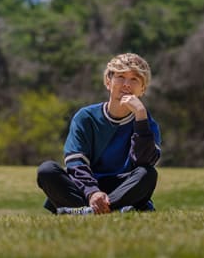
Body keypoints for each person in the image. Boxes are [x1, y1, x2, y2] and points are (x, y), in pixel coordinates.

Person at [36, 53, 161, 214]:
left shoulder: (146, 122)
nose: (126, 85)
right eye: (121, 77)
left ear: (142, 89)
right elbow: (76, 163)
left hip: (123, 188)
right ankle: (112, 209)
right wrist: (92, 192)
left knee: (148, 174)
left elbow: (143, 162)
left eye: (134, 79)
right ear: (108, 82)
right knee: (47, 171)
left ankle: (86, 212)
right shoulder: (86, 117)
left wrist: (140, 117)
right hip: (87, 188)